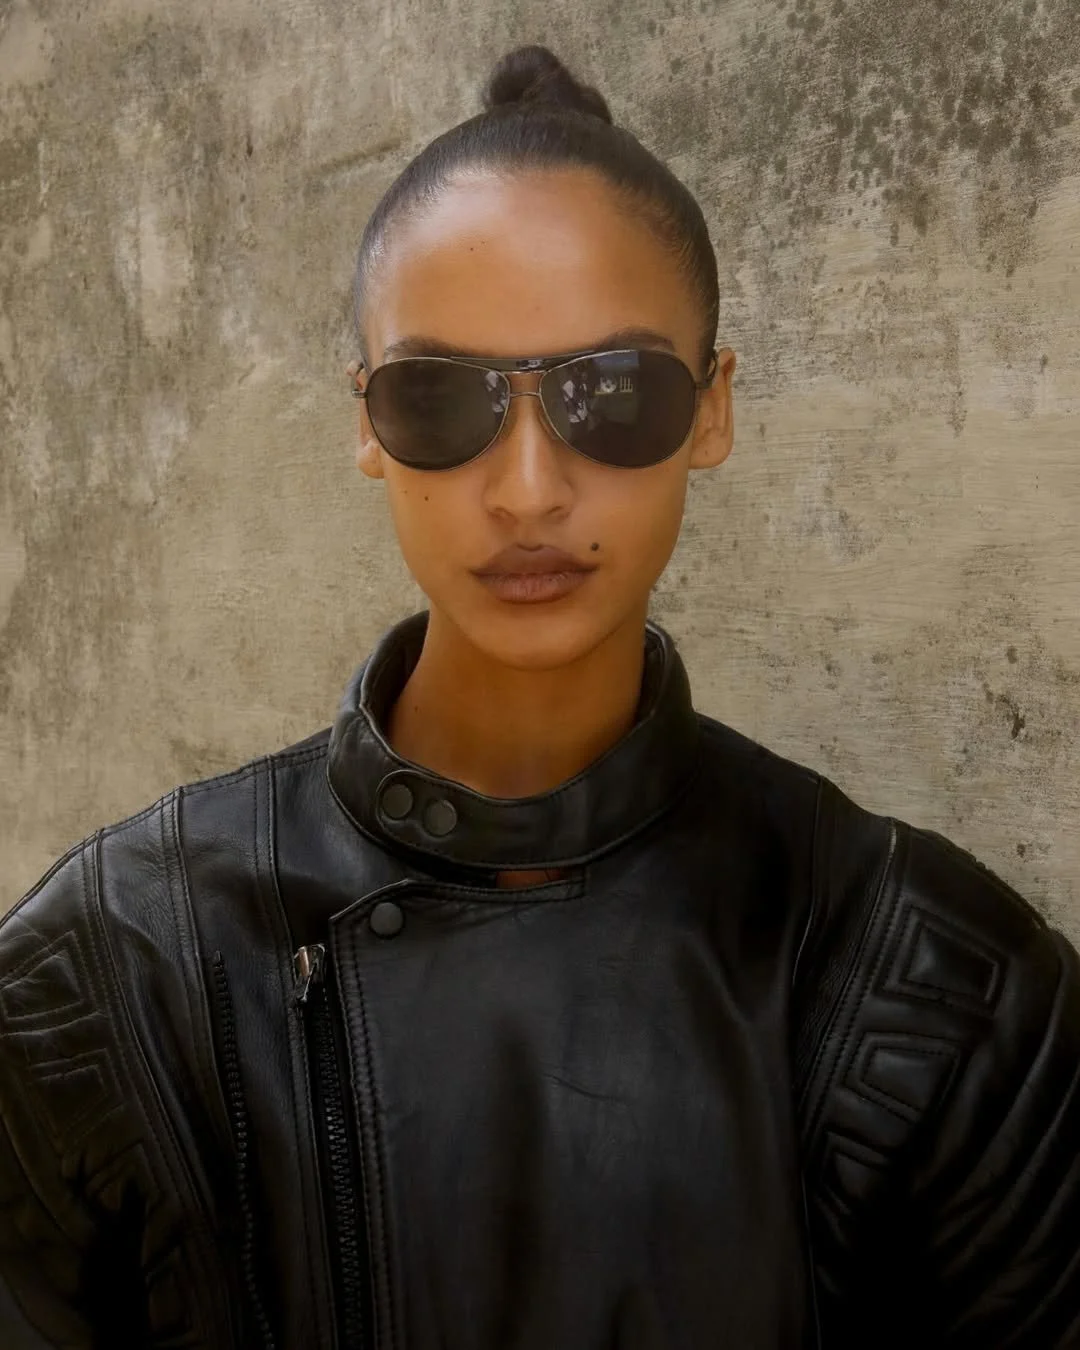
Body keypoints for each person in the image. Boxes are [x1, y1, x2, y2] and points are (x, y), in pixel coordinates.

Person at [1, 42, 1078, 1350]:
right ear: (364, 421)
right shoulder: (114, 972)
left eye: (609, 393)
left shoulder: (936, 987)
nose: (526, 487)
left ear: (713, 406)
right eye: (440, 397)